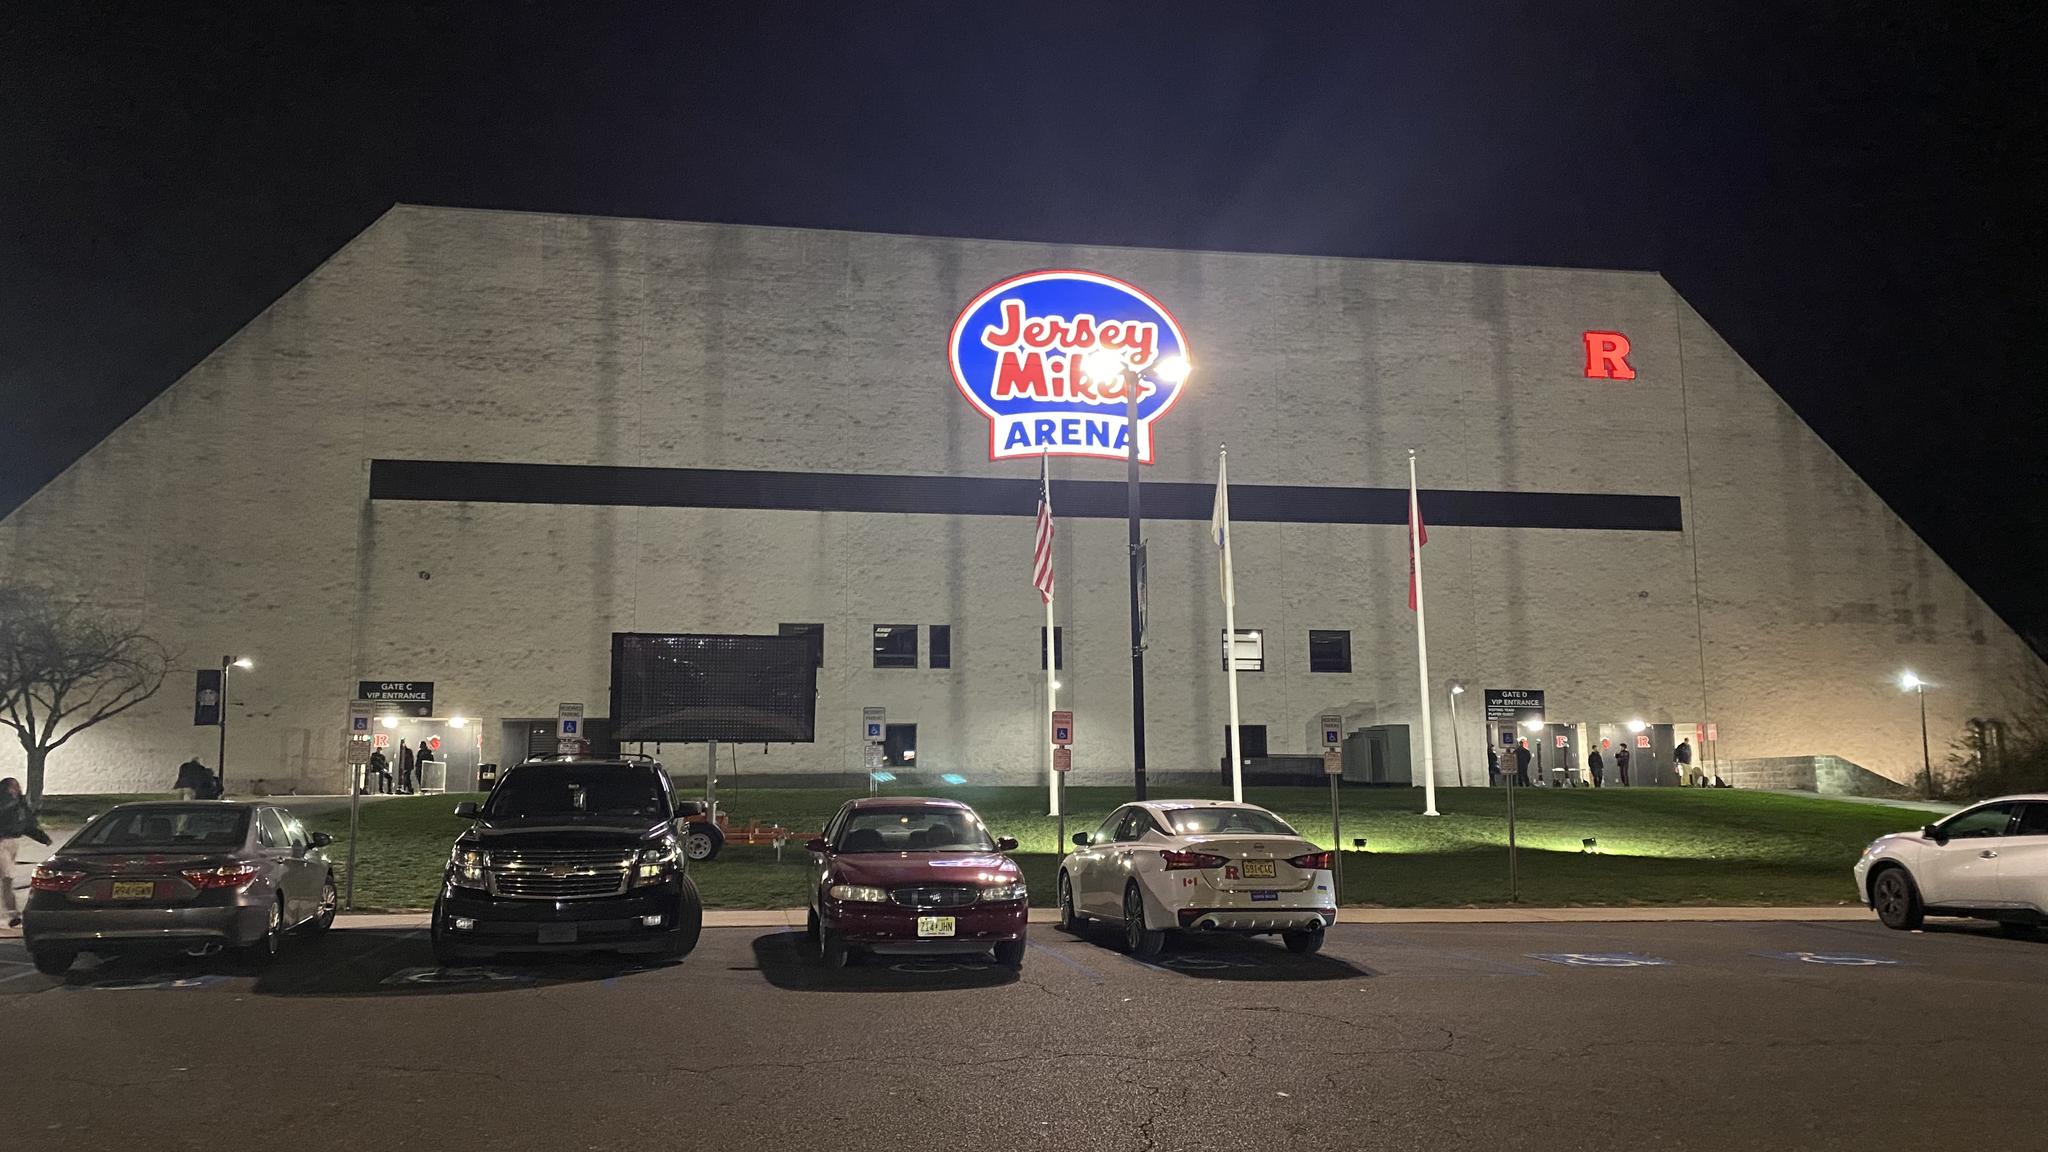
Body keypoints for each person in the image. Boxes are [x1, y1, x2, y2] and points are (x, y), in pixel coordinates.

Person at [0, 777, 53, 929]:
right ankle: (12, 914)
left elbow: (26, 824)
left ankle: (12, 913)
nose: (16, 789)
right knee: (7, 877)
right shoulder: (9, 803)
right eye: (13, 787)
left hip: (12, 843)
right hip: (2, 842)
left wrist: (42, 838)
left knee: (7, 879)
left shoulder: (19, 803)